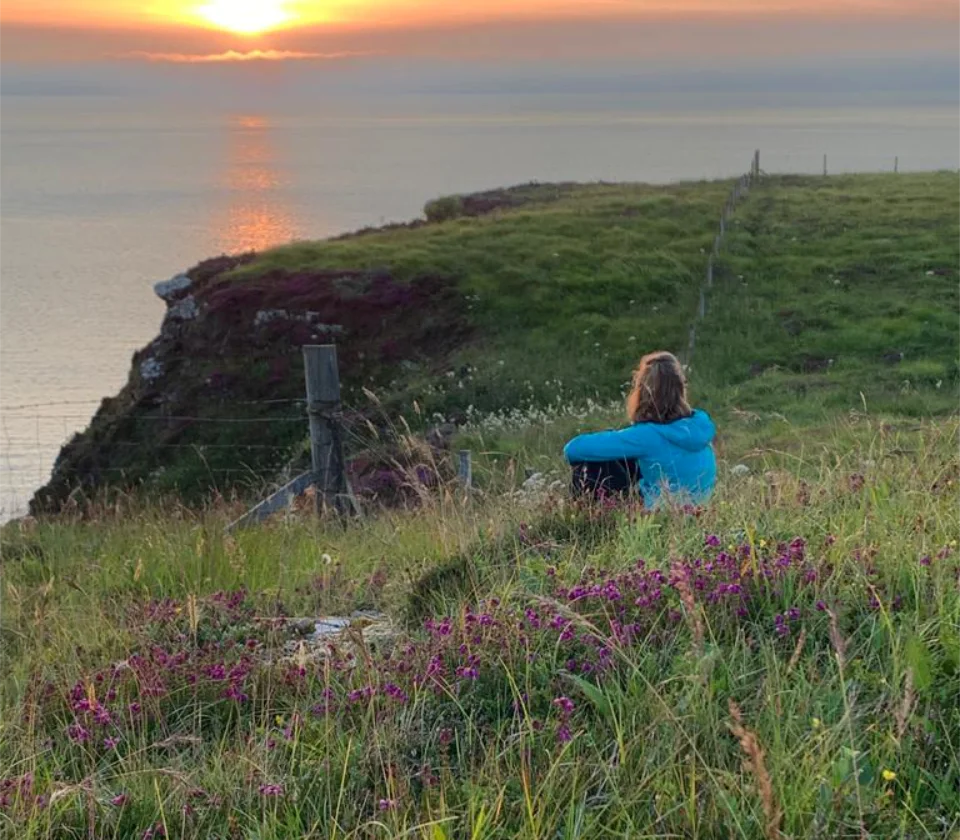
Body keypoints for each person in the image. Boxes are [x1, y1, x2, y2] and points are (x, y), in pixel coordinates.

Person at [563, 351, 717, 508]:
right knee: (630, 457)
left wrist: (615, 437)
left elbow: (572, 449)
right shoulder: (700, 424)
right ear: (680, 389)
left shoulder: (647, 435)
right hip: (700, 511)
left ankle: (587, 518)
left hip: (658, 514)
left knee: (592, 462)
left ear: (643, 391)